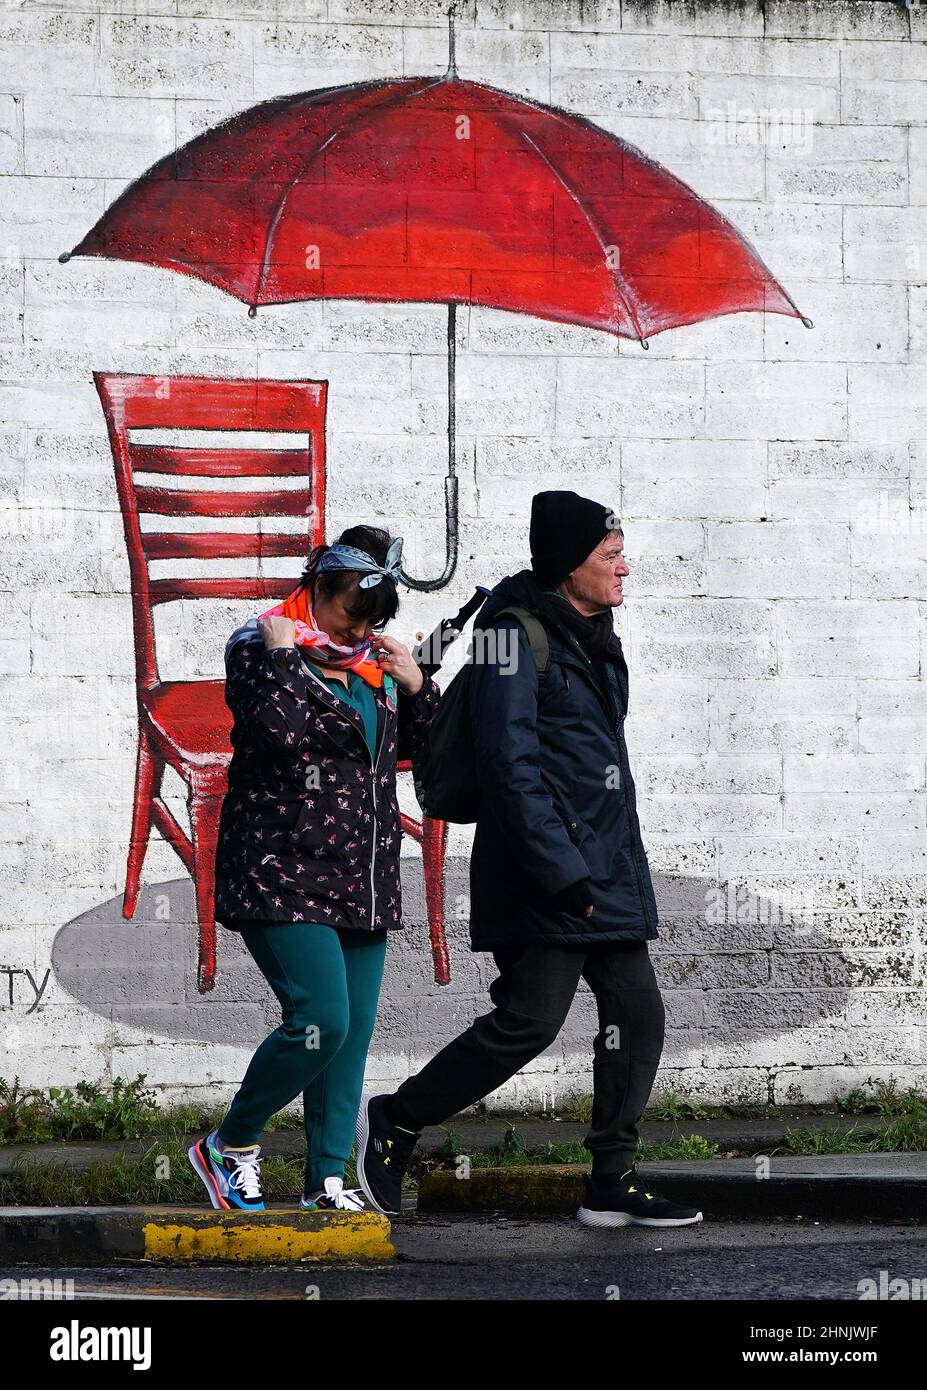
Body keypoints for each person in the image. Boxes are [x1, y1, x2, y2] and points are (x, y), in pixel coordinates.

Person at [354, 491, 703, 1229]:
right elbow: (510, 767)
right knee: (528, 1023)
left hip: (597, 867)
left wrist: (598, 865)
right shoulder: (514, 638)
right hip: (543, 871)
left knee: (636, 1012)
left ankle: (610, 1180)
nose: (624, 568)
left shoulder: (589, 636)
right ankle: (396, 1118)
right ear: (569, 565)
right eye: (610, 556)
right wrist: (561, 869)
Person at [187, 525, 440, 1212]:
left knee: (351, 1032)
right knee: (318, 1019)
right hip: (280, 867)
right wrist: (279, 661)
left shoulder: (371, 664)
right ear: (317, 586)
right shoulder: (261, 642)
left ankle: (327, 1181)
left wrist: (417, 685)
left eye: (370, 620)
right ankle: (230, 1144)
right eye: (347, 613)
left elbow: (430, 757)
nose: (356, 629)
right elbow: (279, 736)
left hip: (362, 872)